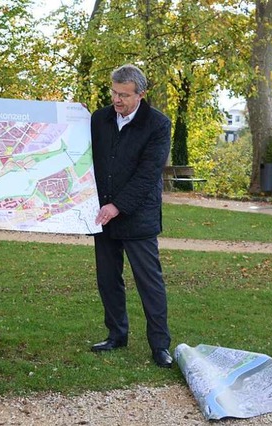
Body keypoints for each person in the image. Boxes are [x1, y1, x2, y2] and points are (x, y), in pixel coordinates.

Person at [89, 64, 173, 368]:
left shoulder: (158, 124)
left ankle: (160, 345)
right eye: (114, 92)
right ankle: (116, 334)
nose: (117, 99)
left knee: (149, 283)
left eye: (124, 94)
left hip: (138, 216)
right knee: (108, 280)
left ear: (141, 94)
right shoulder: (99, 119)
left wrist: (118, 206)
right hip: (103, 215)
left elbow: (148, 174)